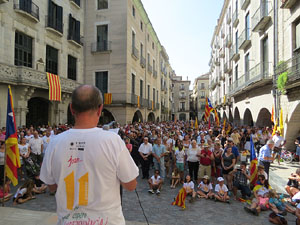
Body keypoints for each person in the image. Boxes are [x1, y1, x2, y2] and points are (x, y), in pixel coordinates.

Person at [40, 85, 138, 225]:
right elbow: (131, 185)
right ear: (100, 109)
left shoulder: (54, 143)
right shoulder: (113, 140)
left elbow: (51, 186)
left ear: (72, 108)